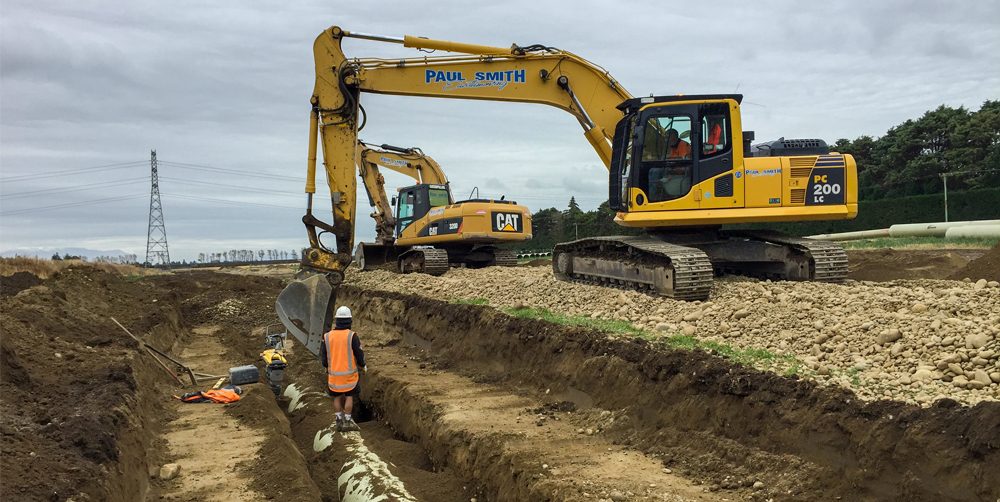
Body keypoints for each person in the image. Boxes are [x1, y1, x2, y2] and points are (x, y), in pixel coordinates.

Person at [319, 306, 367, 432]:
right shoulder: (352, 336)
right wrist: (363, 364)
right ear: (349, 321)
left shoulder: (327, 336)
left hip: (334, 375)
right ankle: (347, 421)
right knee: (349, 396)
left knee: (336, 397)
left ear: (337, 320)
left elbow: (324, 357)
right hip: (349, 376)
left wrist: (326, 367)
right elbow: (359, 353)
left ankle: (339, 420)